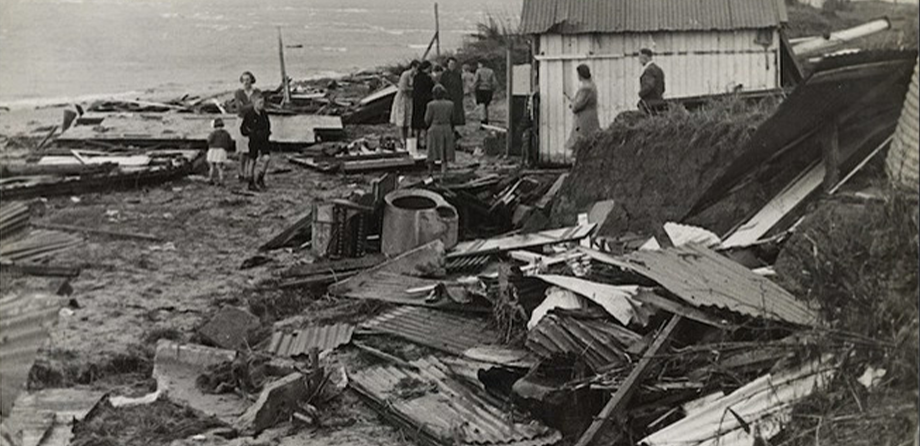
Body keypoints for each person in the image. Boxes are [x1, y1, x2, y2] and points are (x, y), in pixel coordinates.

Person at [240, 92, 272, 191]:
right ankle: (250, 182)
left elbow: (268, 126)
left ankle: (260, 177)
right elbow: (243, 129)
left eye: (263, 103)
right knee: (252, 160)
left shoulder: (264, 114)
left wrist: (267, 133)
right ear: (254, 103)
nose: (262, 105)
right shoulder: (249, 115)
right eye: (260, 103)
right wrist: (251, 134)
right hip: (254, 140)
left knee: (266, 158)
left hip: (264, 139)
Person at [565, 64, 601, 153]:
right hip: (591, 119)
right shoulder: (592, 86)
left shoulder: (586, 89)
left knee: (582, 146)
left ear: (580, 75)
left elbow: (576, 107)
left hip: (583, 122)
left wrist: (572, 104)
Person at [234, 71, 261, 182]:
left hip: (254, 121)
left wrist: (247, 106)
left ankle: (248, 173)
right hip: (241, 121)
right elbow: (239, 109)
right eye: (243, 80)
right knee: (242, 148)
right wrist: (252, 105)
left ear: (252, 80)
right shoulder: (238, 93)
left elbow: (260, 106)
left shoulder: (257, 92)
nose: (245, 82)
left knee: (252, 148)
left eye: (248, 80)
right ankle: (241, 172)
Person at [425, 85, 456, 176]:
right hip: (446, 128)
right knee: (445, 154)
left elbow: (427, 120)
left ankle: (430, 173)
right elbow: (453, 119)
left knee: (431, 152)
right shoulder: (450, 104)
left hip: (434, 129)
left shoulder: (430, 105)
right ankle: (444, 173)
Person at [390, 61, 418, 147]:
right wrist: (413, 89)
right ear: (412, 67)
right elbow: (403, 88)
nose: (417, 70)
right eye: (416, 68)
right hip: (402, 99)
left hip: (409, 99)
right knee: (401, 119)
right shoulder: (405, 75)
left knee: (407, 120)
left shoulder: (414, 76)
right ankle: (402, 139)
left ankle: (405, 138)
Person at [440, 57, 466, 137]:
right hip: (447, 97)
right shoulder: (444, 74)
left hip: (456, 97)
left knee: (456, 115)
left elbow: (460, 86)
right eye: (451, 64)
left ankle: (453, 130)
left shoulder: (457, 74)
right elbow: (442, 86)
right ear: (447, 64)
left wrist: (461, 96)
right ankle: (449, 130)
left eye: (454, 64)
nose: (452, 66)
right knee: (448, 114)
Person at [411, 61, 435, 145]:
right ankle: (424, 141)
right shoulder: (428, 78)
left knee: (416, 121)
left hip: (416, 101)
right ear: (427, 68)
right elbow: (431, 88)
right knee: (425, 122)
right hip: (425, 101)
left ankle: (416, 141)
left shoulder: (416, 77)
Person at [206, 118, 234, 186]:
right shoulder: (226, 133)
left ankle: (210, 179)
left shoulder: (213, 133)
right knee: (220, 167)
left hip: (213, 150)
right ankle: (221, 180)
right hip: (222, 151)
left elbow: (209, 140)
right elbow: (230, 142)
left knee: (212, 166)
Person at [637, 48, 665, 114]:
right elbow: (663, 88)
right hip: (658, 102)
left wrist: (640, 94)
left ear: (645, 57)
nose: (639, 60)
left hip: (650, 103)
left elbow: (649, 86)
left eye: (640, 57)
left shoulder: (649, 70)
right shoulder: (658, 69)